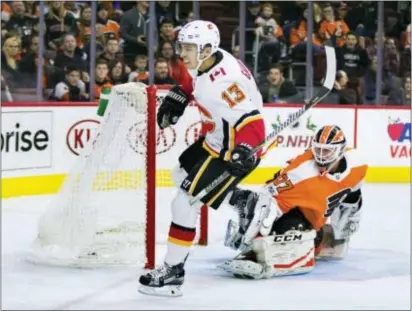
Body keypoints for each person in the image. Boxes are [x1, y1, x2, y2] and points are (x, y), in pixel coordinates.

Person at [138, 20, 270, 297]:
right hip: (215, 140)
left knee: (185, 202)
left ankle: (173, 272)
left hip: (236, 151)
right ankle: (242, 200)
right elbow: (193, 77)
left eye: (188, 48)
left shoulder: (225, 84)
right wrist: (181, 94)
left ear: (207, 48)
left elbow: (254, 124)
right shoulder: (208, 59)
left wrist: (246, 149)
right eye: (182, 46)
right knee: (179, 176)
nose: (182, 53)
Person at [220, 125, 368, 279]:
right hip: (291, 213)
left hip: (315, 222)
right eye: (317, 149)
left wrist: (346, 225)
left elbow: (353, 192)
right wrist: (254, 232)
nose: (321, 156)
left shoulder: (358, 165)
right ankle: (255, 252)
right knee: (288, 227)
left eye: (326, 151)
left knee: (312, 239)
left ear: (340, 151)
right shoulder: (300, 173)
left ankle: (314, 239)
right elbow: (267, 199)